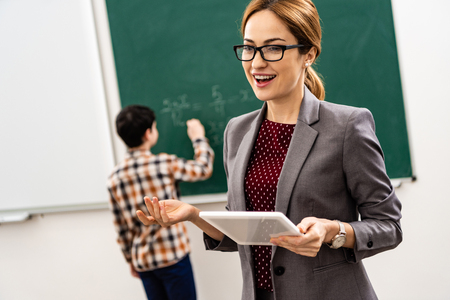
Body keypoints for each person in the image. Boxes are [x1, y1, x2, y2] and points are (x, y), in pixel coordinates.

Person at [136, 0, 402, 299]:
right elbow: (247, 232)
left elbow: (388, 225)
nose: (257, 62)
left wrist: (333, 232)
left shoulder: (346, 126)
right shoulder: (237, 131)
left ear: (308, 54)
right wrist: (195, 216)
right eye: (249, 48)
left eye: (273, 48)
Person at [107, 105, 214, 300]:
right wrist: (198, 137)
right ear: (148, 133)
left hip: (144, 261)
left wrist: (130, 259)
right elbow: (203, 168)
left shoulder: (114, 177)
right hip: (173, 257)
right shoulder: (164, 164)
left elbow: (121, 227)